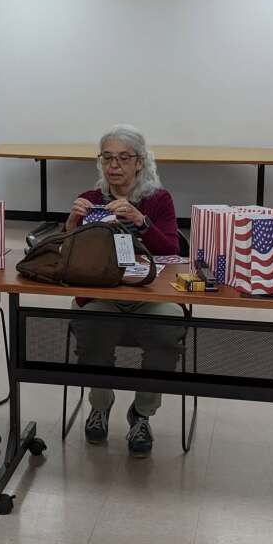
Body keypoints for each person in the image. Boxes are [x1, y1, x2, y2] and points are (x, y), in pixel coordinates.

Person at [66, 125, 184, 458]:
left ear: (139, 162)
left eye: (123, 158)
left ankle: (142, 414)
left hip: (149, 295)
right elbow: (69, 254)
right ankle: (100, 407)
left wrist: (141, 220)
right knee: (89, 323)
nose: (114, 165)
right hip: (103, 294)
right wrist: (73, 224)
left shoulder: (159, 199)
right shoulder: (91, 200)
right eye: (107, 158)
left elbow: (172, 251)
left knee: (170, 324)